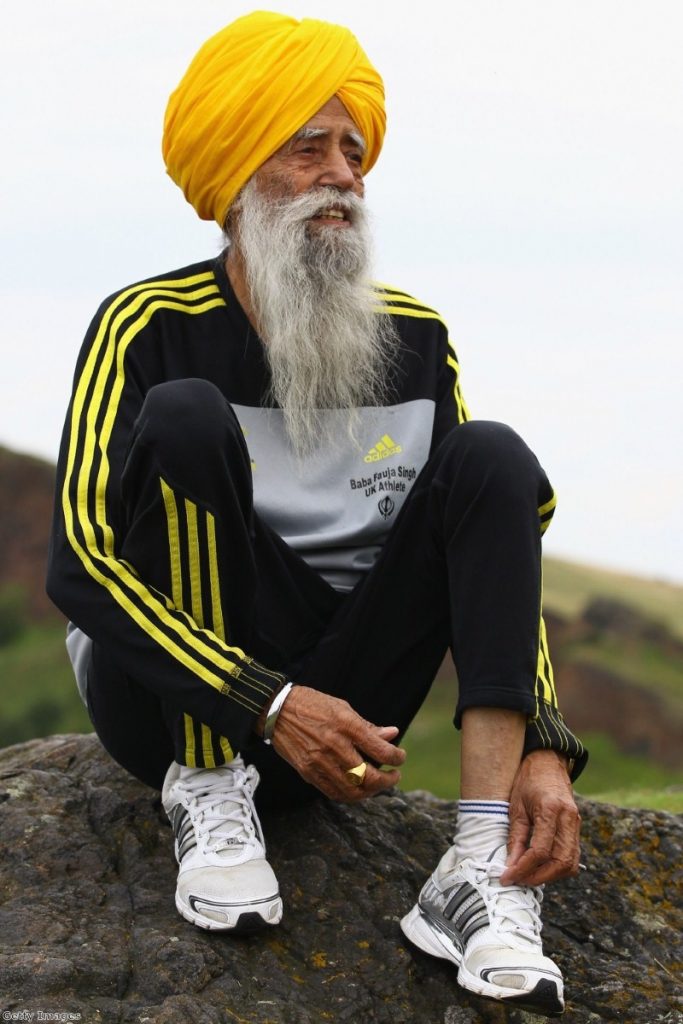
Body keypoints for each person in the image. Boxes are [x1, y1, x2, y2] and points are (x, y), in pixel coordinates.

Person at [47, 11, 586, 1015]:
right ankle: (209, 798)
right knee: (187, 421)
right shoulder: (146, 326)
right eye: (308, 146)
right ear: (240, 172)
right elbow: (78, 557)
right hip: (173, 708)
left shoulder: (418, 337)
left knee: (493, 456)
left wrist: (544, 742)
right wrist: (264, 701)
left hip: (350, 706)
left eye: (353, 149)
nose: (344, 174)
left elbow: (495, 547)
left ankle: (475, 868)